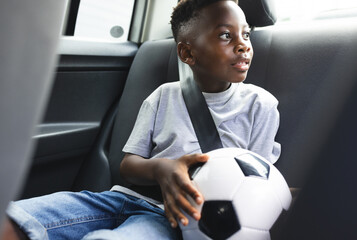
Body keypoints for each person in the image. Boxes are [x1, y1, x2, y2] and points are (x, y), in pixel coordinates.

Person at [1, 0, 280, 239]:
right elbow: (128, 165)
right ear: (187, 53)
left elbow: (256, 188)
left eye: (246, 34)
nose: (243, 45)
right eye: (225, 36)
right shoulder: (163, 97)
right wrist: (161, 169)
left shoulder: (260, 106)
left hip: (176, 217)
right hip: (120, 198)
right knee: (14, 218)